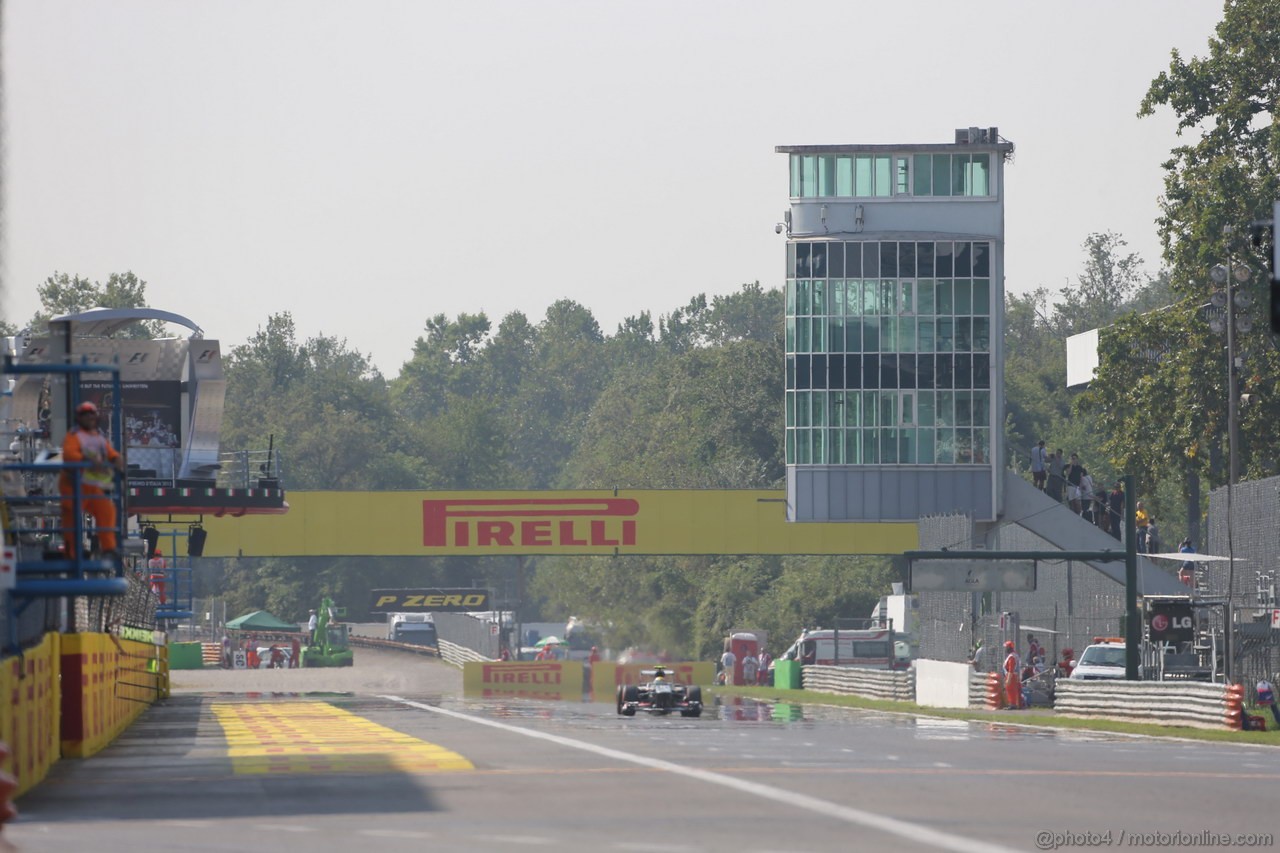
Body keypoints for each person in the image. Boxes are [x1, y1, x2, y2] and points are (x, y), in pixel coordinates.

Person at [59, 401, 126, 559]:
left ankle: (109, 548)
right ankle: (72, 553)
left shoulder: (98, 437)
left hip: (91, 486)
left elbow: (110, 452)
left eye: (91, 414)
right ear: (79, 417)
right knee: (72, 520)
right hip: (73, 486)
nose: (89, 417)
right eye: (85, 414)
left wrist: (116, 459)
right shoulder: (74, 436)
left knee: (107, 511)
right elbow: (69, 455)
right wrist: (88, 460)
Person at [1002, 640, 1022, 709]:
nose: (1005, 649)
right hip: (1014, 675)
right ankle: (1013, 703)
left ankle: (1012, 704)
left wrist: (1008, 679)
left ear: (1009, 648)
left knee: (1010, 690)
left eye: (1006, 647)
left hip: (1011, 675)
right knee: (1011, 690)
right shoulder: (1015, 655)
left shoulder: (1012, 657)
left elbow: (1011, 668)